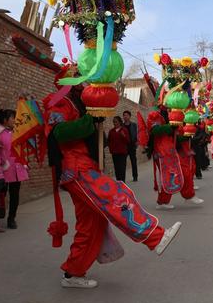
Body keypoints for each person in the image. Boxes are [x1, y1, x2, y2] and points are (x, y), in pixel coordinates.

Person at [44, 79, 181, 288]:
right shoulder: (60, 104)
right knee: (115, 197)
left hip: (84, 166)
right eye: (81, 79)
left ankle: (73, 273)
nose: (85, 84)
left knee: (91, 224)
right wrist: (89, 118)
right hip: (77, 168)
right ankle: (155, 237)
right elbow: (60, 133)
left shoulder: (76, 104)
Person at [0, 109, 29, 229]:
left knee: (15, 195)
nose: (14, 120)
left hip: (16, 168)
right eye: (12, 118)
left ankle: (11, 218)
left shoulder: (17, 132)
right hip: (2, 168)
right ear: (5, 120)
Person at [108, 116, 130, 182]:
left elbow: (128, 141)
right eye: (113, 122)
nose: (114, 123)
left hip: (122, 152)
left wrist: (124, 136)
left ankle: (123, 182)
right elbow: (109, 141)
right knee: (116, 168)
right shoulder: (111, 131)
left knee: (122, 168)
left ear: (120, 122)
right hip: (114, 152)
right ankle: (118, 182)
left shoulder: (124, 130)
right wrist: (111, 149)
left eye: (116, 122)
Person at [122, 110, 138, 182]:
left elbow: (137, 134)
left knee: (133, 162)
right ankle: (123, 178)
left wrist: (137, 141)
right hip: (124, 146)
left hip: (132, 145)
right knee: (123, 163)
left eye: (126, 115)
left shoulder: (134, 125)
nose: (125, 116)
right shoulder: (122, 126)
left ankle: (135, 176)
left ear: (129, 116)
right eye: (124, 115)